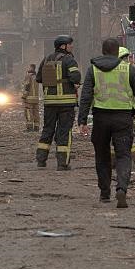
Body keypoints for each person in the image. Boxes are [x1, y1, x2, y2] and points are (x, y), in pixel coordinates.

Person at [77, 37, 135, 207]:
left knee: (102, 156)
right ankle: (121, 189)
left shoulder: (93, 69)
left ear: (103, 51)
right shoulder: (127, 68)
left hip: (101, 118)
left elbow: (86, 96)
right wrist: (133, 107)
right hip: (123, 118)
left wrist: (82, 120)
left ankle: (104, 193)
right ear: (117, 52)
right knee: (123, 155)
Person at [35, 35, 81, 170]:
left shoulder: (46, 59)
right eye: (70, 44)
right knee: (64, 132)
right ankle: (62, 163)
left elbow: (39, 79)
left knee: (48, 129)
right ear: (63, 46)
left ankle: (41, 160)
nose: (72, 46)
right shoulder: (69, 60)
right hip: (66, 103)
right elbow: (76, 77)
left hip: (49, 103)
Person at [21, 64, 40, 132]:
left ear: (31, 68)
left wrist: (24, 97)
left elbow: (27, 87)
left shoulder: (28, 76)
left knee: (28, 113)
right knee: (36, 113)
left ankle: (29, 128)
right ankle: (36, 127)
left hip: (29, 99)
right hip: (36, 99)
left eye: (28, 67)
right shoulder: (36, 76)